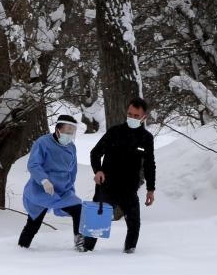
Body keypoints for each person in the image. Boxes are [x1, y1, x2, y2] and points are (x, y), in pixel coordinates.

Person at [84, 97, 156, 253]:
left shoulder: (146, 139)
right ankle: (84, 252)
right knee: (95, 225)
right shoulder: (114, 132)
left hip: (129, 190)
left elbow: (150, 164)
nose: (132, 118)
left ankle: (129, 256)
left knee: (134, 225)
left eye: (136, 116)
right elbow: (95, 153)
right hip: (106, 187)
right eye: (130, 114)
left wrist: (151, 189)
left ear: (144, 117)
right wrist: (98, 170)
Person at [18, 114, 86, 251]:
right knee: (34, 223)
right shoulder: (42, 143)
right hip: (42, 190)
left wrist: (70, 188)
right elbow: (33, 164)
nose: (69, 135)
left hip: (62, 191)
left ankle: (80, 243)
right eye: (67, 132)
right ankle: (21, 248)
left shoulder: (71, 147)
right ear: (57, 130)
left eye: (71, 133)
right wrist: (44, 180)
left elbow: (72, 171)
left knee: (79, 209)